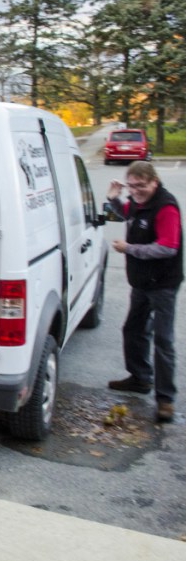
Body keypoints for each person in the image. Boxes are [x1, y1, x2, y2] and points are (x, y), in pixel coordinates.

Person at [106, 160, 181, 423]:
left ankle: (165, 400)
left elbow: (167, 247)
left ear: (154, 182)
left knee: (163, 340)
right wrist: (113, 199)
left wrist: (129, 249)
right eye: (132, 186)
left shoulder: (166, 207)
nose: (136, 191)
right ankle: (139, 378)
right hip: (141, 283)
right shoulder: (138, 202)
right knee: (133, 330)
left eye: (141, 186)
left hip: (163, 285)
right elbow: (128, 212)